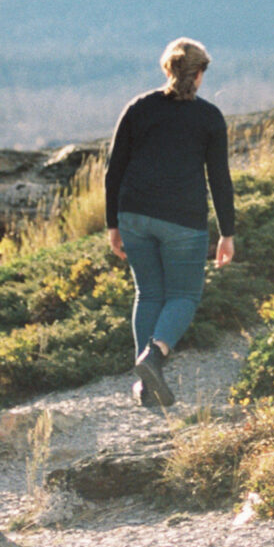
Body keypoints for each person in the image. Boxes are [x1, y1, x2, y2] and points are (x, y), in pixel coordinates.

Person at [104, 37, 237, 409]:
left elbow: (114, 170)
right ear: (198, 74)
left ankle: (147, 388)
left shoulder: (139, 108)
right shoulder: (209, 117)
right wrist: (227, 233)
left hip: (134, 214)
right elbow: (219, 180)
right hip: (183, 221)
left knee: (148, 294)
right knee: (184, 296)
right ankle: (154, 357)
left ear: (168, 70)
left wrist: (112, 223)